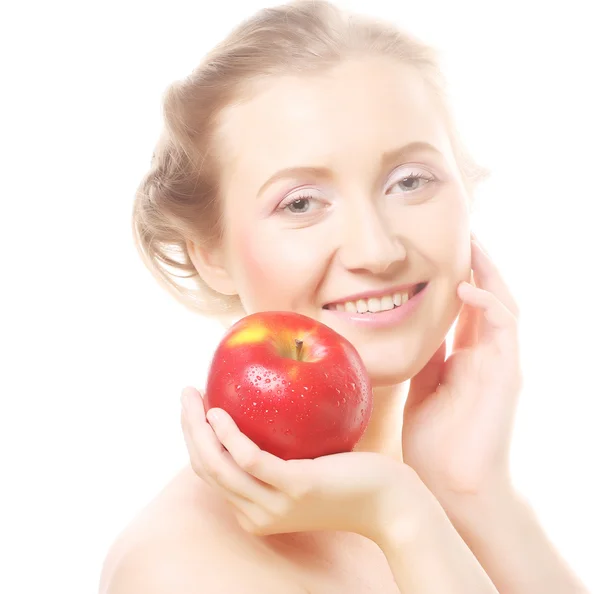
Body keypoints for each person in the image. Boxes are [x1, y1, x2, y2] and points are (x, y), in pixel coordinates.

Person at [99, 1, 589, 592]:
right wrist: (400, 514)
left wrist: (477, 494)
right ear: (210, 251)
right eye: (301, 203)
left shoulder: (448, 501)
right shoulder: (183, 571)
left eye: (409, 181)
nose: (376, 250)